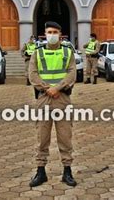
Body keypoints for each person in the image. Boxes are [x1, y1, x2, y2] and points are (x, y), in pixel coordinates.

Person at [28, 21, 77, 188]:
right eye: (49, 31)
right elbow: (32, 75)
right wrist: (47, 88)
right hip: (44, 99)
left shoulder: (67, 52)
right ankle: (40, 171)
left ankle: (67, 171)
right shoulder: (37, 53)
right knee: (42, 137)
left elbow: (72, 73)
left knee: (65, 137)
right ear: (45, 33)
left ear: (60, 34)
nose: (52, 34)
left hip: (62, 98)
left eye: (55, 31)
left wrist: (58, 88)